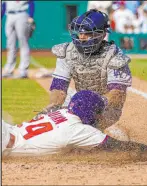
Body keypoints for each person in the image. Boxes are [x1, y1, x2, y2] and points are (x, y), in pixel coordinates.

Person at [37, 9, 132, 130]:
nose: (81, 37)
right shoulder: (68, 52)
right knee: (54, 123)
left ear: (102, 34)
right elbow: (59, 87)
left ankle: (105, 139)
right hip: (80, 102)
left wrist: (93, 105)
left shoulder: (114, 56)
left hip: (107, 108)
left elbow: (117, 95)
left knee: (81, 128)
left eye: (87, 33)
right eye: (80, 33)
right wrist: (52, 108)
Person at [2, 90, 134, 157]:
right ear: (91, 113)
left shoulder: (63, 112)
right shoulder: (79, 130)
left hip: (7, 130)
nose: (100, 115)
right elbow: (119, 147)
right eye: (98, 111)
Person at [1, 1, 35, 79]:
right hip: (9, 15)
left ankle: (23, 71)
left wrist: (31, 16)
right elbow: (4, 6)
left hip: (22, 14)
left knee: (23, 43)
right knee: (10, 44)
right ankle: (9, 70)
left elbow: (31, 2)